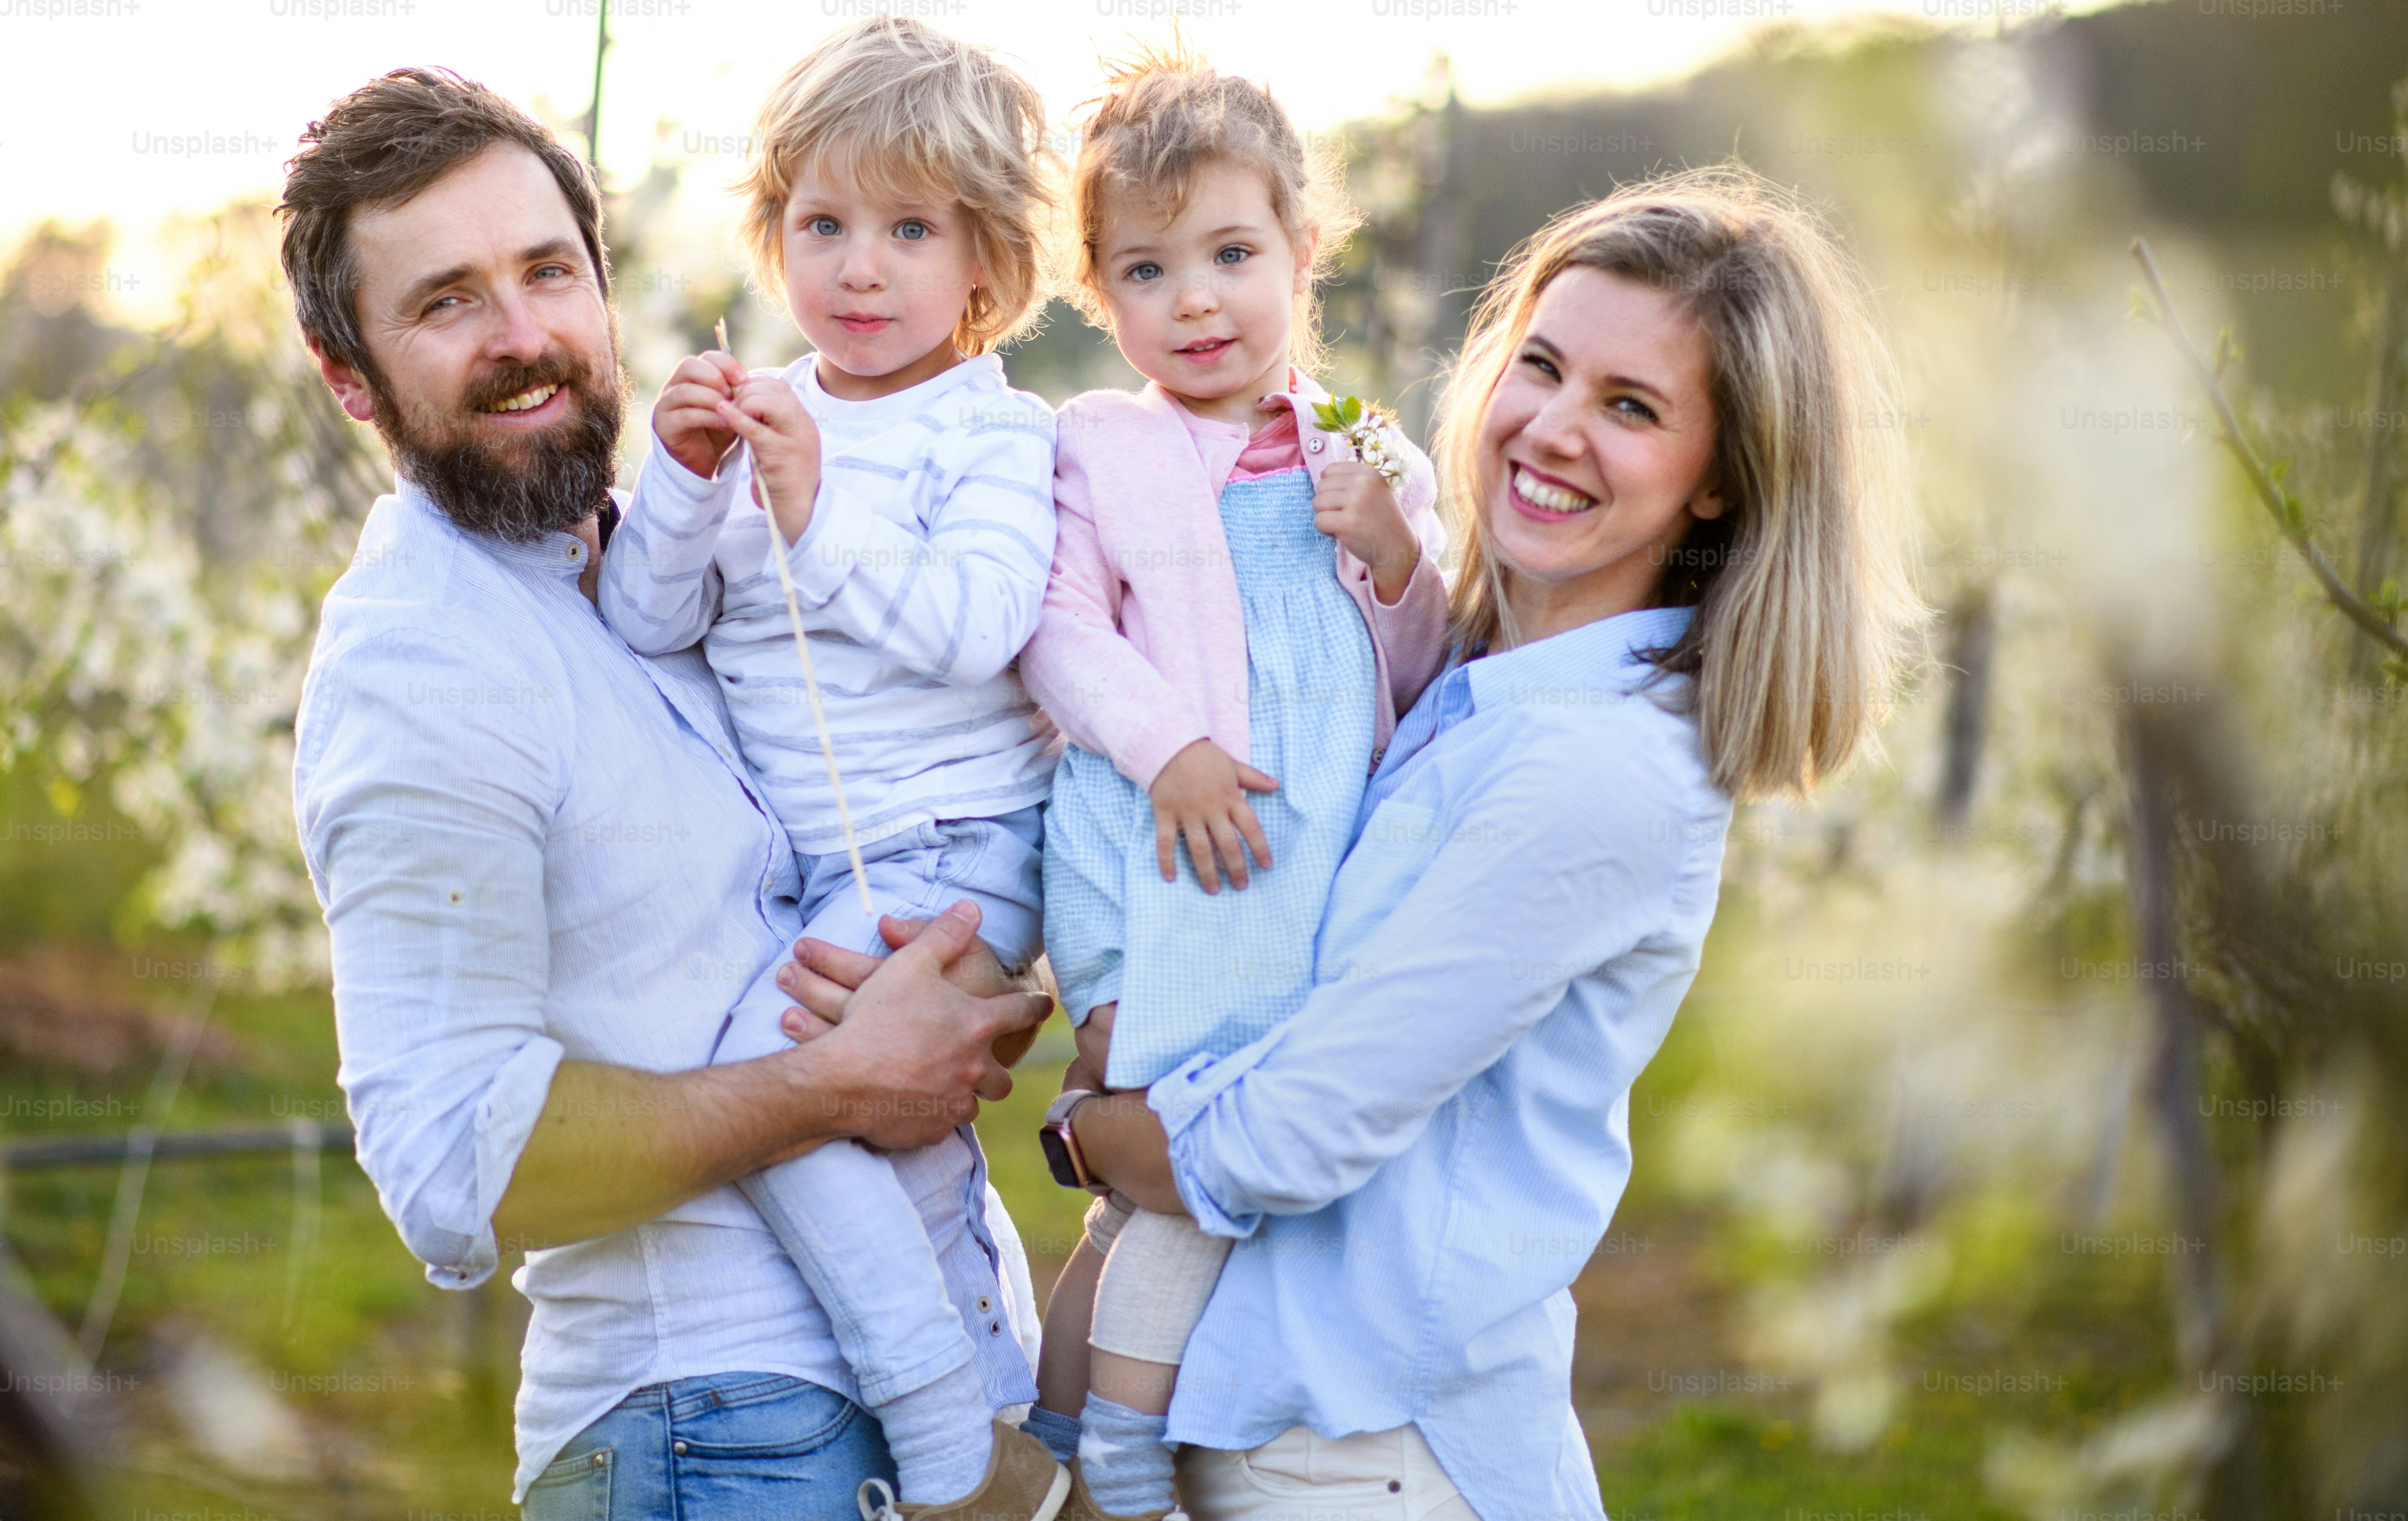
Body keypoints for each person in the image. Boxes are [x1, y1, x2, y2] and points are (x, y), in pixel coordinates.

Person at [794, 167, 1921, 1520]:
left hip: (1366, 1459)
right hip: (1266, 1431)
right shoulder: (1458, 679)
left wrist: (1090, 1126)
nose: (1552, 430)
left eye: (1630, 408)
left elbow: (1285, 1135)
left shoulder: (1599, 766)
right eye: (1543, 369)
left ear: (1724, 484)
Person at [280, 67, 1053, 1518]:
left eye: (547, 273)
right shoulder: (419, 662)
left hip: (893, 1401)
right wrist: (834, 1082)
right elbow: (458, 1163)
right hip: (711, 1439)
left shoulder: (669, 566)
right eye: (447, 303)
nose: (524, 338)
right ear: (351, 378)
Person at [597, 15, 1072, 1521]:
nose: (860, 267)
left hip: (958, 852)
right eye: (825, 224)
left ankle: (946, 1437)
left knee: (776, 1098)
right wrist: (678, 483)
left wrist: (814, 514)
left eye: (910, 229)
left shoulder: (993, 435)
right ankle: (1007, 1431)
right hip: (818, 872)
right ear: (775, 238)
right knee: (880, 1134)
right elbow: (650, 624)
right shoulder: (760, 423)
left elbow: (975, 625)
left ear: (986, 268)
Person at [1011, 45, 1449, 1521]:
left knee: (1174, 1190)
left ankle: (1069, 1436)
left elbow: (1424, 664)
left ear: (1302, 252)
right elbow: (1059, 637)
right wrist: (1172, 749)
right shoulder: (1103, 449)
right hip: (1161, 858)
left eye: (1231, 254)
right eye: (1146, 269)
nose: (1194, 300)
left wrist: (1390, 550)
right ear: (1099, 292)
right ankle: (1124, 1458)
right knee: (1185, 1175)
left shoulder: (1366, 448)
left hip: (1306, 875)